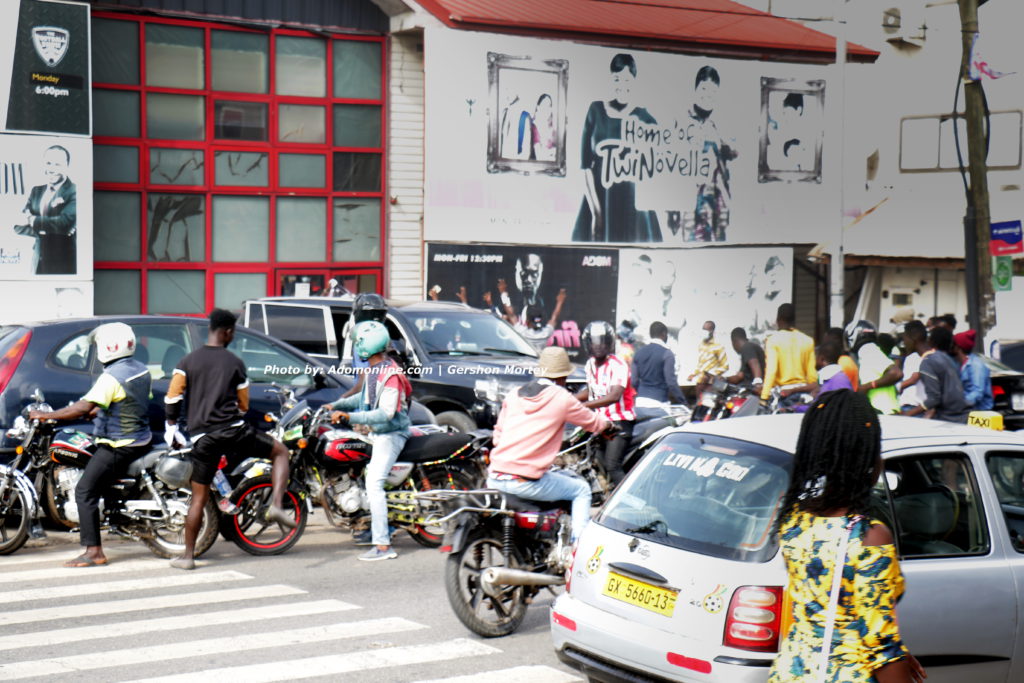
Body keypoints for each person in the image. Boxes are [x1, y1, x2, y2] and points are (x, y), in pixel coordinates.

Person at [769, 390, 925, 683]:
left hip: (792, 672)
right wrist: (895, 661)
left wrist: (899, 655)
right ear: (866, 456)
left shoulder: (794, 521)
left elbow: (823, 611)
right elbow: (880, 646)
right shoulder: (868, 537)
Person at [164, 309, 296, 570]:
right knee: (280, 452)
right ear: (226, 332)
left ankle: (189, 557)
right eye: (233, 331)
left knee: (198, 498)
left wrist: (172, 424)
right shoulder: (235, 363)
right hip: (233, 431)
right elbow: (244, 405)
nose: (233, 335)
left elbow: (172, 397)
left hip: (203, 438)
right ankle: (278, 505)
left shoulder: (187, 361)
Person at [28, 323, 151, 567]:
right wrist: (100, 409)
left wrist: (44, 416)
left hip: (119, 443)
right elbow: (131, 400)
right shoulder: (140, 369)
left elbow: (80, 407)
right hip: (140, 438)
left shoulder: (111, 377)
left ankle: (94, 551)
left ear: (109, 347)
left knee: (84, 490)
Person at [488, 346, 610, 541]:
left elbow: (498, 435)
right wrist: (607, 426)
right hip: (523, 481)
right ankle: (577, 550)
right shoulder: (561, 398)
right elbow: (592, 422)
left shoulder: (514, 394)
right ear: (562, 377)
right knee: (581, 490)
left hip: (494, 476)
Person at [330, 320, 413, 561]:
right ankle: (373, 525)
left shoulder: (391, 375)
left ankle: (383, 545)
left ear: (366, 347)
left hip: (391, 434)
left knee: (374, 483)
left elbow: (384, 414)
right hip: (377, 433)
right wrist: (334, 405)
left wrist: (349, 416)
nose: (356, 349)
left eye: (358, 344)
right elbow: (361, 399)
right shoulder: (374, 371)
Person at [572, 53, 661, 243]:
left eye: (627, 79)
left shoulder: (646, 119)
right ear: (611, 80)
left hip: (633, 207)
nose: (622, 85)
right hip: (601, 201)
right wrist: (596, 212)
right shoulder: (595, 111)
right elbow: (586, 166)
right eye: (617, 79)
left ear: (635, 81)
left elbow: (655, 170)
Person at [575, 321, 636, 486]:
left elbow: (614, 396)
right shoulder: (590, 365)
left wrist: (583, 406)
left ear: (609, 342)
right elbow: (590, 391)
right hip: (600, 421)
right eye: (594, 342)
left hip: (619, 421)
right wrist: (570, 399)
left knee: (612, 465)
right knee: (594, 459)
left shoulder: (618, 365)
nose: (598, 346)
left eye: (602, 341)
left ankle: (629, 501)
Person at [13, 144, 77, 274]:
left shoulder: (74, 191)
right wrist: (51, 228)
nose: (51, 169)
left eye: (57, 165)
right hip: (37, 261)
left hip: (63, 262)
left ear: (67, 166)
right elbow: (17, 225)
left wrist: (31, 220)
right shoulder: (36, 191)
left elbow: (64, 223)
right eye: (48, 163)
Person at [761, 303, 816, 406]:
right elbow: (812, 376)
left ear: (778, 319)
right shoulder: (807, 340)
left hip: (784, 395)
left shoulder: (773, 340)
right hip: (803, 394)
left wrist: (764, 397)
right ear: (794, 320)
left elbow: (771, 371)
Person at [846, 320, 903, 415]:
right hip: (883, 410)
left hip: (883, 411)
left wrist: (868, 386)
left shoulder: (868, 350)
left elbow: (896, 373)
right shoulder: (868, 351)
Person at [913, 326, 969, 423]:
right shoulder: (953, 361)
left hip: (946, 419)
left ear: (931, 341)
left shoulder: (928, 361)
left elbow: (934, 399)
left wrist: (909, 413)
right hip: (963, 415)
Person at [632, 321, 686, 420]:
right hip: (659, 405)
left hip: (639, 404)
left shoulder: (638, 353)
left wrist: (642, 392)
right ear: (664, 334)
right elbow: (671, 382)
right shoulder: (667, 354)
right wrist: (683, 402)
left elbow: (634, 381)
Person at [503, 288, 566, 354]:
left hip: (525, 362)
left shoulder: (522, 332)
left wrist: (503, 293)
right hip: (539, 363)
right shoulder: (546, 333)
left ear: (527, 322)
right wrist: (560, 301)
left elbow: (511, 314)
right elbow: (555, 316)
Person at [953, 329, 993, 411]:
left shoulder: (976, 365)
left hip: (979, 413)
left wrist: (958, 405)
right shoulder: (959, 364)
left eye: (952, 345)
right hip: (967, 410)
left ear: (958, 348)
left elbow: (977, 393)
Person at [689, 321, 729, 395]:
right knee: (699, 404)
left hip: (711, 384)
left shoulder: (718, 346)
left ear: (712, 331)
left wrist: (712, 375)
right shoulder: (701, 346)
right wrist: (693, 374)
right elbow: (700, 365)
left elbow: (725, 366)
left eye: (707, 329)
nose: (705, 331)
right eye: (703, 329)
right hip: (700, 382)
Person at [898, 321, 927, 414]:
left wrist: (894, 387)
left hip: (914, 408)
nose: (904, 342)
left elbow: (913, 379)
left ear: (914, 337)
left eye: (905, 338)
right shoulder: (912, 357)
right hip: (909, 406)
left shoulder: (916, 357)